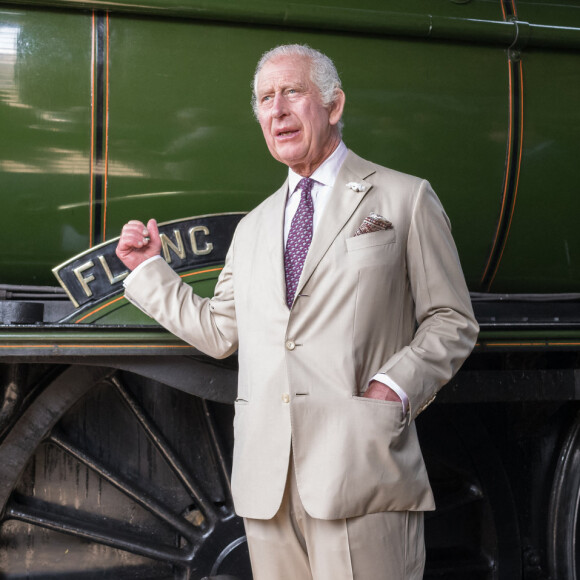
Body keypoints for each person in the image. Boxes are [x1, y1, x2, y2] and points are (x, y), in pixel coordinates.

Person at [116, 44, 478, 580]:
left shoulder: (406, 199)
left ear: (333, 105)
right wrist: (149, 271)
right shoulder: (253, 227)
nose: (277, 109)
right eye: (265, 98)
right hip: (268, 488)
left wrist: (392, 388)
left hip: (361, 470)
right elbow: (220, 332)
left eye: (293, 92)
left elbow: (452, 319)